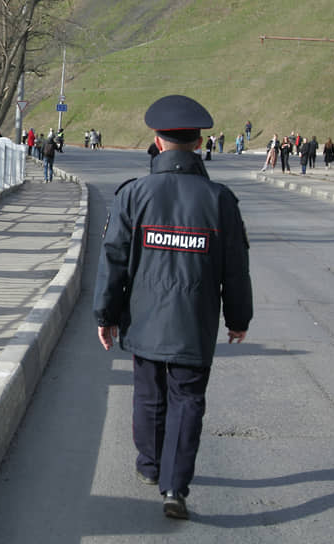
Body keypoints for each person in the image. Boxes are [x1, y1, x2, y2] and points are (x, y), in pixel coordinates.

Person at [93, 94, 253, 520]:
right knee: (187, 400)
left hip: (144, 319)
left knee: (148, 394)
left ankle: (149, 465)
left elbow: (113, 260)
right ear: (200, 143)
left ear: (158, 142)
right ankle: (175, 487)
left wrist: (105, 316)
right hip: (194, 324)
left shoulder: (133, 195)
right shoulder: (220, 200)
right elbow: (236, 268)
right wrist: (238, 319)